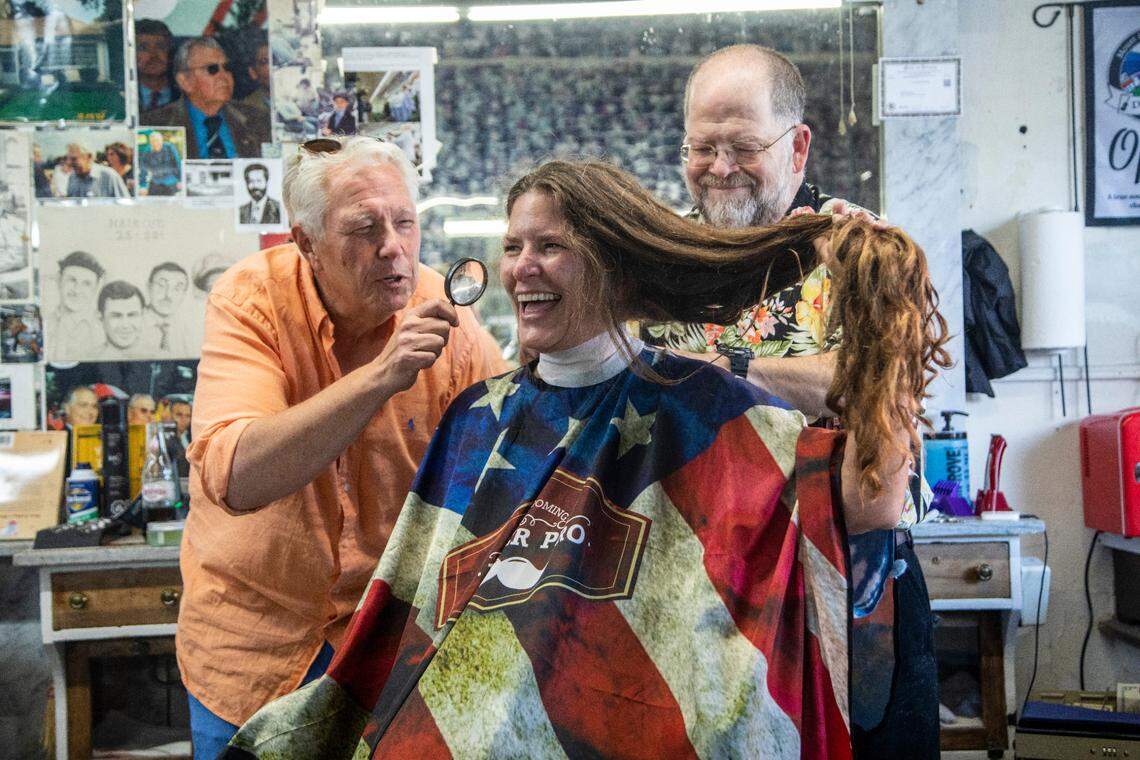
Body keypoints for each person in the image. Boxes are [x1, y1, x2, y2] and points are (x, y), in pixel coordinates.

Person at [224, 159, 950, 759]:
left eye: (551, 247)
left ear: (611, 261)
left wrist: (879, 297)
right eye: (512, 247)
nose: (522, 269)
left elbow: (873, 496)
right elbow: (406, 618)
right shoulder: (478, 418)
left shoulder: (700, 402)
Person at [178, 136, 506, 759]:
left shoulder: (446, 315)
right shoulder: (251, 302)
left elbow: (516, 437)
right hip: (255, 650)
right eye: (364, 228)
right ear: (305, 243)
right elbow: (236, 476)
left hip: (389, 648)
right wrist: (383, 375)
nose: (394, 248)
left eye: (405, 223)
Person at [654, 44, 941, 758]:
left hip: (852, 587)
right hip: (699, 596)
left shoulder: (859, 249)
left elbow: (880, 382)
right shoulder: (656, 262)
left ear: (798, 146)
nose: (720, 167)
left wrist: (727, 365)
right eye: (702, 147)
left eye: (743, 146)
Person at [145, 37, 269, 159]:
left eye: (227, 68)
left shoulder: (259, 120)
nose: (224, 76)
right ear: (185, 81)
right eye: (212, 69)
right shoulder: (154, 126)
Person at [48, 251, 104, 359]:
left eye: (87, 283)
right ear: (59, 279)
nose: (77, 290)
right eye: (72, 280)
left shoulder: (101, 331)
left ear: (96, 288)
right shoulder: (45, 322)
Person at [143, 262, 193, 356]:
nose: (168, 295)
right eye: (161, 285)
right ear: (148, 287)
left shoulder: (188, 330)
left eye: (177, 288)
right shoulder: (132, 324)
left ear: (184, 294)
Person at [97, 280, 149, 359]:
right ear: (101, 318)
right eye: (116, 316)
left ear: (143, 315)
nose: (125, 325)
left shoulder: (163, 357)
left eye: (132, 315)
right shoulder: (86, 358)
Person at [136, 19, 179, 112]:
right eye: (143, 48)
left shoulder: (186, 95)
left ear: (171, 53)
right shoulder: (123, 98)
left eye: (160, 47)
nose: (153, 55)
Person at [63, 143, 129, 199]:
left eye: (74, 159)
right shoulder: (72, 178)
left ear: (89, 157)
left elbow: (125, 205)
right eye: (68, 159)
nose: (69, 163)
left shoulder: (109, 176)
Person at [138, 130, 183, 197]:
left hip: (170, 181)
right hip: (156, 182)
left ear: (162, 140)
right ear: (150, 142)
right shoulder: (147, 151)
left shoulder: (169, 148)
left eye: (157, 140)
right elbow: (143, 169)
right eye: (153, 141)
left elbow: (177, 164)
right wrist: (143, 186)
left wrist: (181, 180)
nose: (155, 143)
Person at [242, 42, 271, 114]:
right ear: (253, 73)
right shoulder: (247, 109)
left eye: (275, 59)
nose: (273, 66)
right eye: (265, 61)